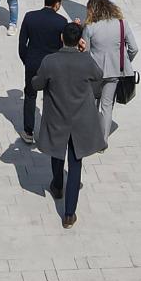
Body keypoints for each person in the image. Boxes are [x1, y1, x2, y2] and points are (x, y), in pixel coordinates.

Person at [33, 23, 106, 228]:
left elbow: (37, 84)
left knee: (57, 153)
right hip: (80, 121)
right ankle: (69, 214)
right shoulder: (86, 60)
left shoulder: (50, 61)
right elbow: (99, 79)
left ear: (62, 38)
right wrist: (85, 53)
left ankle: (57, 185)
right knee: (75, 165)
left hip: (57, 118)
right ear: (79, 41)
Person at [82, 0, 138, 138]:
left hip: (94, 72)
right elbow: (134, 48)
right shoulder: (122, 23)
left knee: (92, 103)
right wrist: (125, 62)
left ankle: (90, 133)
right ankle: (103, 140)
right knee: (107, 106)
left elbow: (85, 52)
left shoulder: (90, 27)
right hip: (115, 71)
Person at [18, 0, 67, 145]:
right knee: (51, 97)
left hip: (33, 63)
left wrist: (27, 60)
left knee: (30, 95)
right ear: (57, 4)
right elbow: (63, 46)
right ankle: (49, 132)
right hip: (52, 65)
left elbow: (22, 44)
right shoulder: (61, 22)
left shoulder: (30, 17)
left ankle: (28, 132)